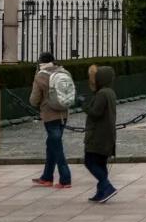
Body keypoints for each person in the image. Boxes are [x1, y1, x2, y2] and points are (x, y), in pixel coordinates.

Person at [29, 52, 72, 189]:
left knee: (57, 147)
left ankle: (65, 179)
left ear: (40, 62)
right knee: (51, 145)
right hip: (63, 114)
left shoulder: (40, 76)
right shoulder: (64, 72)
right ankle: (47, 177)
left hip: (50, 115)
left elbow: (34, 100)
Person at [82, 65, 118, 203]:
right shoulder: (110, 92)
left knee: (90, 161)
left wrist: (84, 105)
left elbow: (95, 113)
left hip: (98, 135)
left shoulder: (102, 94)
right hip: (107, 134)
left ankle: (106, 185)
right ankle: (101, 191)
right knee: (101, 162)